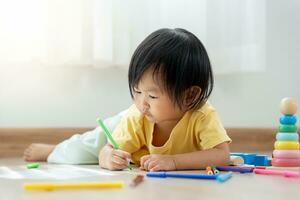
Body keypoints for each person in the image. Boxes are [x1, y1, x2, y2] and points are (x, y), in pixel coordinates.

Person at [24, 28, 231, 171]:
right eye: (136, 91)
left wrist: (173, 162)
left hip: (144, 148)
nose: (142, 101)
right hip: (127, 124)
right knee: (84, 151)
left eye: (152, 95)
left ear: (190, 95)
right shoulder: (138, 112)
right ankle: (53, 150)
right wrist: (107, 158)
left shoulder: (202, 114)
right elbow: (109, 150)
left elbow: (221, 155)